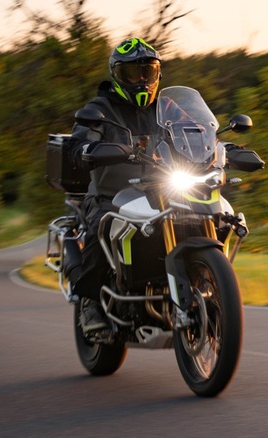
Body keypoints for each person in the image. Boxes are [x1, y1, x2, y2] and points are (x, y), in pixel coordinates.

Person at [68, 37, 163, 334]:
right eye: (133, 73)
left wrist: (223, 146)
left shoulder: (166, 107)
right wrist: (86, 149)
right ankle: (89, 302)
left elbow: (196, 129)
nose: (142, 80)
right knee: (104, 225)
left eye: (148, 72)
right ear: (117, 75)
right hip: (112, 193)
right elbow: (78, 141)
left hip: (161, 191)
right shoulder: (100, 108)